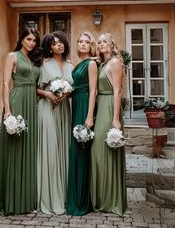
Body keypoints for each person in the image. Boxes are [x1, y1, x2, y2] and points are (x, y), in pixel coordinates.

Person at [0, 27, 42, 215]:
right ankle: (12, 201)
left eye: (34, 40)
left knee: (28, 150)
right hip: (18, 102)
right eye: (29, 39)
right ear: (21, 39)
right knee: (14, 151)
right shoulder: (12, 56)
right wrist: (8, 112)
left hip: (32, 105)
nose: (32, 43)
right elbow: (5, 84)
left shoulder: (35, 60)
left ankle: (26, 200)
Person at [37, 31, 74, 214]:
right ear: (49, 47)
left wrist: (67, 93)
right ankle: (49, 196)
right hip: (47, 109)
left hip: (64, 110)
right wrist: (48, 94)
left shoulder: (70, 65)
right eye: (54, 43)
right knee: (51, 150)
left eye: (61, 42)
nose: (59, 45)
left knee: (63, 148)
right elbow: (35, 87)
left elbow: (73, 88)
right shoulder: (43, 64)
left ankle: (65, 195)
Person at [90, 33, 127, 216]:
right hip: (102, 106)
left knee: (105, 150)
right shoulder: (103, 63)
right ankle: (102, 197)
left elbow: (118, 91)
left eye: (105, 41)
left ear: (112, 45)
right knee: (99, 151)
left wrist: (115, 118)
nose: (101, 43)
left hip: (110, 107)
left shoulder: (115, 63)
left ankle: (111, 200)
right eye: (99, 42)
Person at [67, 31, 98, 216]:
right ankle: (74, 196)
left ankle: (81, 201)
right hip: (76, 101)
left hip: (85, 104)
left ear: (91, 45)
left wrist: (89, 116)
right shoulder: (79, 64)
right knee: (76, 149)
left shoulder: (92, 63)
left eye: (87, 41)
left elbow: (93, 90)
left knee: (82, 148)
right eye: (80, 41)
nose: (83, 44)